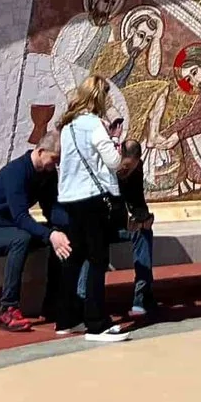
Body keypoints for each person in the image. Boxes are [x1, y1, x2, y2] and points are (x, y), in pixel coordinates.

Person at [0, 132, 72, 331]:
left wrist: (66, 228)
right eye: (54, 159)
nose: (55, 165)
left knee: (61, 236)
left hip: (9, 229)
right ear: (40, 151)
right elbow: (20, 217)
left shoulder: (47, 174)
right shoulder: (16, 173)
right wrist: (50, 235)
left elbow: (52, 208)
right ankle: (7, 309)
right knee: (21, 238)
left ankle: (53, 302)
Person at [52, 78, 131, 339]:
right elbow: (114, 161)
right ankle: (96, 323)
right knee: (98, 259)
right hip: (92, 199)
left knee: (73, 258)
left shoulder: (68, 126)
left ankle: (67, 318)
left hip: (69, 198)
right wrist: (115, 140)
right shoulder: (95, 125)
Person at [111, 130, 157, 321]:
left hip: (123, 222)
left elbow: (137, 200)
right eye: (126, 166)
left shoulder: (136, 170)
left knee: (145, 232)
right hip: (103, 222)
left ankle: (142, 296)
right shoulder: (109, 167)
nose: (127, 171)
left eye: (132, 167)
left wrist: (144, 218)